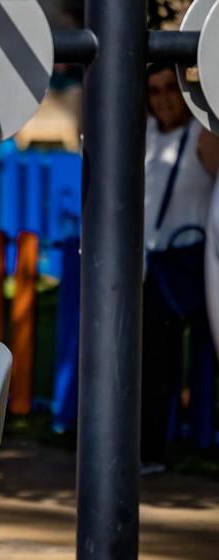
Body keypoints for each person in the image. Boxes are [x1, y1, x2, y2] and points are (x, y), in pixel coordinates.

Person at [141, 64, 219, 475]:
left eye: (172, 89)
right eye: (154, 91)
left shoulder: (203, 136)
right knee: (153, 361)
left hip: (192, 259)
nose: (164, 98)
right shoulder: (149, 137)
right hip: (153, 265)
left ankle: (194, 437)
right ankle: (150, 450)